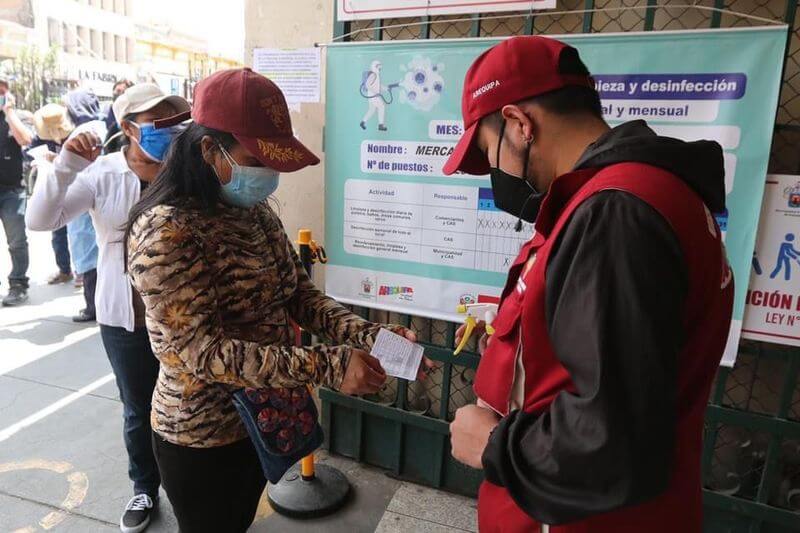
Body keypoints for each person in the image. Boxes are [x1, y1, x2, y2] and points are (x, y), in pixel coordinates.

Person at [444, 37, 733, 532]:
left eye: (490, 153)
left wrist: (493, 446)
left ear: (518, 124)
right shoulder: (633, 194)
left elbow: (611, 435)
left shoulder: (614, 212)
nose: (493, 174)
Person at [124, 68, 426, 533]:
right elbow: (198, 354)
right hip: (202, 437)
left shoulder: (251, 211)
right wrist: (328, 365)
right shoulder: (167, 231)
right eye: (256, 159)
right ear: (209, 150)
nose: (266, 175)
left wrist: (376, 338)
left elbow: (299, 296)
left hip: (263, 419)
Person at [26, 83, 191, 533]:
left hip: (184, 317)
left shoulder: (186, 170)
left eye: (174, 122)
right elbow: (41, 220)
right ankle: (145, 487)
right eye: (157, 123)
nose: (169, 131)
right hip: (126, 318)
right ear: (128, 128)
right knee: (138, 408)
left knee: (188, 404)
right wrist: (65, 167)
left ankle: (189, 487)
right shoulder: (102, 174)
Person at [30, 104, 76, 286]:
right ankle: (65, 269)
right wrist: (39, 160)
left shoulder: (76, 137)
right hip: (55, 189)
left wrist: (58, 160)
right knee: (58, 232)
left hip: (78, 188)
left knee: (82, 233)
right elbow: (31, 152)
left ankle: (85, 271)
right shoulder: (40, 138)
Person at [0, 77, 33, 306]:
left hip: (12, 190)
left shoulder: (15, 117)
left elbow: (25, 138)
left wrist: (9, 111)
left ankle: (18, 283)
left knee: (17, 241)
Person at [105, 79, 135, 154]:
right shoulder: (102, 118)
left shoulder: (134, 119)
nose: (120, 94)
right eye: (118, 91)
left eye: (124, 92)